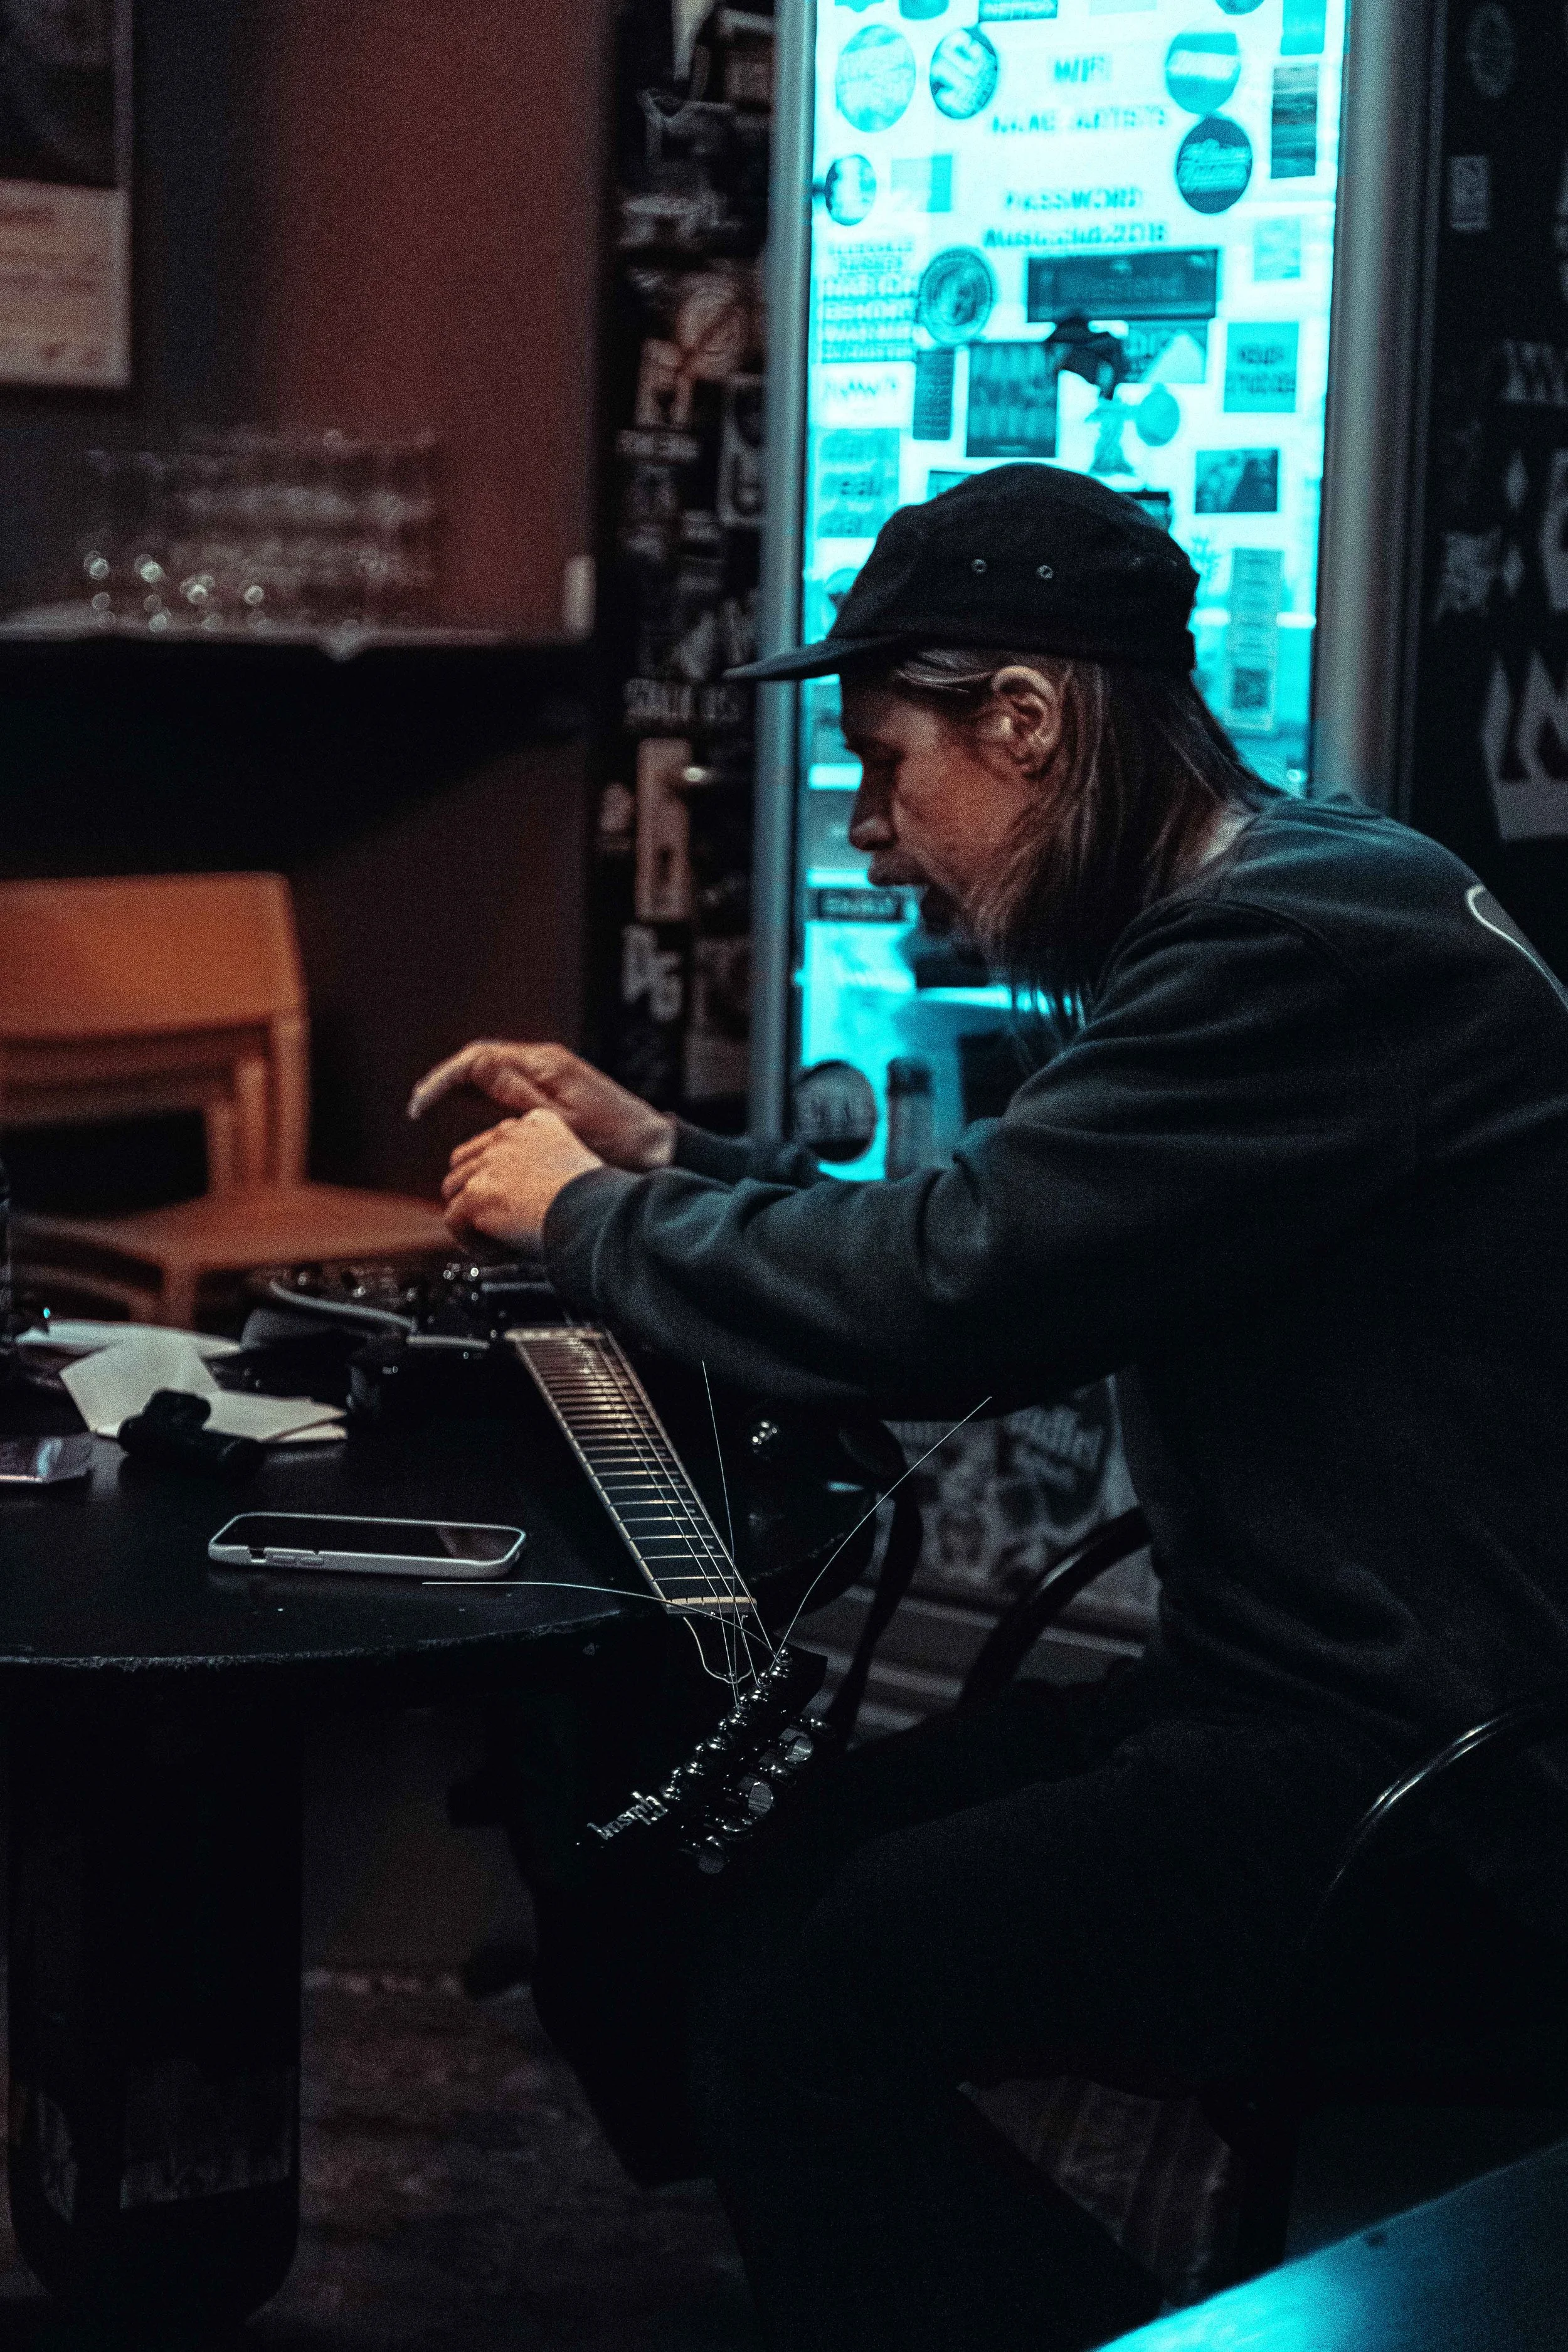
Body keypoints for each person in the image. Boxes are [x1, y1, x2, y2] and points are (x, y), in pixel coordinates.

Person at [408, 465, 1568, 2351]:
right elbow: (1033, 1235)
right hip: (1321, 1702)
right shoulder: (1307, 890)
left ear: (1023, 722)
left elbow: (954, 1290)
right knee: (741, 1898)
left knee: (812, 1990)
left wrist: (587, 1213)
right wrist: (673, 1150)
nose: (873, 835)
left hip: (1446, 1789)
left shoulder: (1285, 946)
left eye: (888, 766)